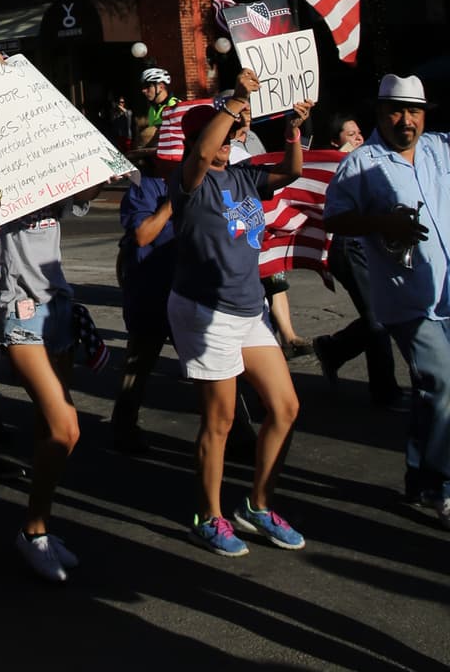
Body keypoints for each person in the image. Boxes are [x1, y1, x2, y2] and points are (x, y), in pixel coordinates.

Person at [167, 69, 309, 556]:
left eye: (234, 132)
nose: (230, 138)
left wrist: (292, 132)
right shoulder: (189, 180)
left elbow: (290, 172)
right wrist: (236, 100)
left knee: (285, 407)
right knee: (220, 421)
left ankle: (258, 505)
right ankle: (209, 516)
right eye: (223, 131)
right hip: (205, 313)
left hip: (249, 311)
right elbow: (205, 153)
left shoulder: (246, 176)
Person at [323, 74, 450, 527]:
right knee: (444, 383)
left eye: (414, 111)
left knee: (430, 392)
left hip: (447, 292)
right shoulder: (362, 162)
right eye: (397, 111)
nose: (406, 121)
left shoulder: (438, 149)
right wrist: (381, 223)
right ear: (379, 113)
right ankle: (441, 486)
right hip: (407, 297)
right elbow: (335, 217)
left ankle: (418, 476)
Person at [0, 186, 104, 581]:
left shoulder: (50, 171)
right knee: (65, 429)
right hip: (19, 312)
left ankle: (42, 525)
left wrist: (102, 172)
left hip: (58, 309)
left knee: (47, 428)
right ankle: (32, 531)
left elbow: (85, 196)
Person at [312, 113, 401, 404]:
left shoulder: (370, 159)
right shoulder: (339, 164)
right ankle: (384, 391)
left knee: (384, 312)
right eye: (350, 134)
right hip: (347, 247)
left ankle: (334, 348)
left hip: (369, 245)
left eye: (359, 132)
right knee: (377, 318)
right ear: (335, 143)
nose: (358, 138)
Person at [110, 140, 177, 452]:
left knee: (214, 363)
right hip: (151, 285)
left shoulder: (206, 178)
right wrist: (172, 203)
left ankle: (237, 432)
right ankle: (123, 427)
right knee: (140, 360)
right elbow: (142, 234)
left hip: (189, 285)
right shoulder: (145, 186)